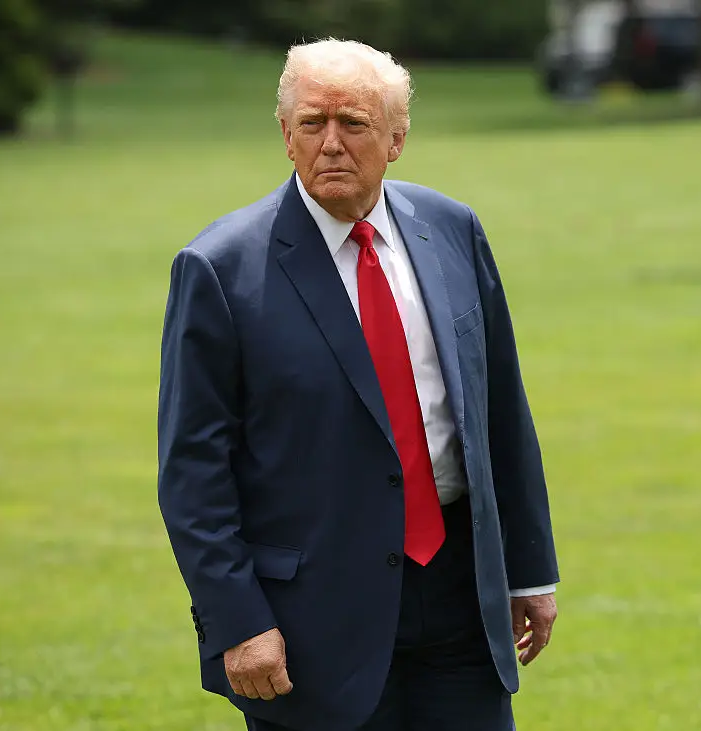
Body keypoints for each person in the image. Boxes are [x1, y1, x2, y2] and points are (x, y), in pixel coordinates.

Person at [157, 38, 559, 731]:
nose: (331, 144)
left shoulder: (452, 229)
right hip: (311, 619)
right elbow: (193, 472)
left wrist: (528, 570)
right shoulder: (219, 269)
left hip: (461, 599)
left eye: (353, 124)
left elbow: (500, 410)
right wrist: (237, 620)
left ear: (397, 139)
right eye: (312, 123)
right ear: (286, 135)